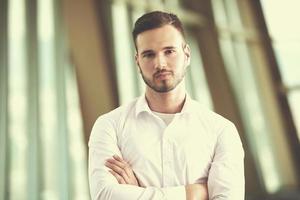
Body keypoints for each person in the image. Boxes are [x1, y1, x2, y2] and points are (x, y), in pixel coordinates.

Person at [88, 11, 245, 200]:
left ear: (186, 54)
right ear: (137, 61)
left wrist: (137, 194)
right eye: (149, 55)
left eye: (169, 51)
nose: (160, 63)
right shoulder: (109, 125)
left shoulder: (221, 130)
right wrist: (191, 193)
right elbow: (105, 195)